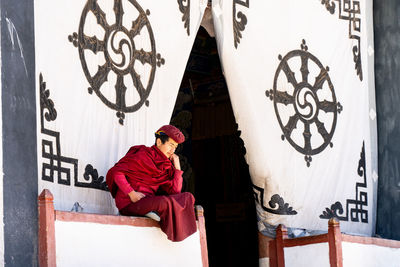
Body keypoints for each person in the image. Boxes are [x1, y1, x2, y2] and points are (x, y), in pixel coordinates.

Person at [106, 125, 197, 242]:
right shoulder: (143, 154)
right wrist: (131, 193)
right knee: (164, 202)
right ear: (159, 142)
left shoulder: (167, 166)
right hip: (130, 203)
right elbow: (117, 173)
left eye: (175, 147)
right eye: (170, 145)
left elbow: (175, 192)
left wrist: (177, 168)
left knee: (188, 197)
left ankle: (155, 212)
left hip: (149, 201)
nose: (172, 150)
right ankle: (156, 212)